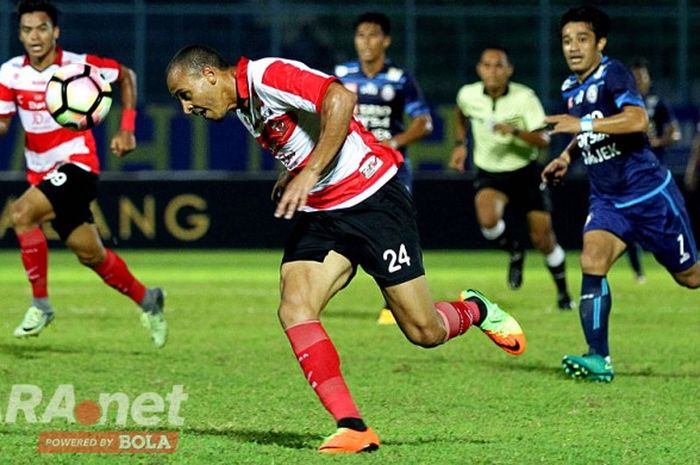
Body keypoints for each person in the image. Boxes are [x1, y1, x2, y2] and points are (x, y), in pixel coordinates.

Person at [166, 44, 527, 454]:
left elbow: (339, 98)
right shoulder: (244, 106)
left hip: (373, 199)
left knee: (425, 332)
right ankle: (352, 426)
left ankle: (475, 309)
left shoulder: (266, 76)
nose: (185, 107)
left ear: (209, 75)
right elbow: (304, 129)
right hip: (324, 213)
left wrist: (312, 171)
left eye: (184, 94)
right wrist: (294, 170)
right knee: (294, 306)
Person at [542, 5, 700, 382]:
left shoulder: (613, 72)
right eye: (567, 40)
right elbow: (593, 131)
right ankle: (599, 358)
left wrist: (580, 123)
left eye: (582, 39)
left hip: (649, 196)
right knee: (592, 262)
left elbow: (637, 119)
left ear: (601, 43)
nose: (573, 47)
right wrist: (566, 155)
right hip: (607, 199)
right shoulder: (571, 87)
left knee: (691, 278)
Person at [0, 0, 166, 347]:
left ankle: (41, 305)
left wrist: (127, 128)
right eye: (27, 29)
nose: (35, 36)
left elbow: (127, 76)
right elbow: (3, 123)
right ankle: (149, 299)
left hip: (78, 164)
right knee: (90, 253)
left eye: (42, 28)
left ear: (55, 31)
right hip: (41, 172)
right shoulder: (10, 73)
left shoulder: (79, 66)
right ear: (19, 34)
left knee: (21, 214)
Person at [449, 46, 574, 310]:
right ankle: (515, 250)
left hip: (525, 173)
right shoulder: (468, 94)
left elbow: (543, 139)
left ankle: (564, 294)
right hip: (490, 174)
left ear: (509, 70)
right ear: (479, 69)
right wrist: (461, 143)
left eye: (498, 66)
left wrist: (515, 131)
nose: (492, 71)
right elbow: (461, 112)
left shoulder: (524, 98)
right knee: (488, 222)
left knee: (543, 239)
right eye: (487, 65)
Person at [334, 12, 433, 325]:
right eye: (360, 35)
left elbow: (424, 122)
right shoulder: (341, 74)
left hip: (391, 170)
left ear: (386, 40)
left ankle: (398, 303)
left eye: (373, 35)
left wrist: (395, 141)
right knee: (342, 228)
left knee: (395, 232)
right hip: (350, 169)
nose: (366, 42)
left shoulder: (400, 79)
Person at [622, 57, 683, 282]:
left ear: (649, 80)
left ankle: (680, 262)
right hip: (628, 176)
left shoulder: (657, 103)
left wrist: (657, 141)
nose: (638, 82)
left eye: (642, 77)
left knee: (663, 222)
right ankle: (639, 272)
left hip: (654, 175)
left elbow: (675, 133)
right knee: (629, 226)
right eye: (634, 78)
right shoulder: (621, 106)